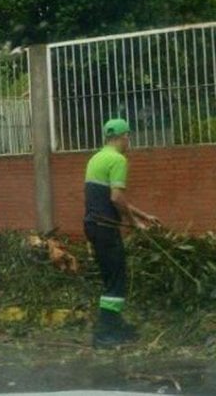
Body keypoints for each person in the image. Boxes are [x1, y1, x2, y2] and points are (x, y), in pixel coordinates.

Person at [84, 119, 160, 348]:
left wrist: (143, 215)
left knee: (110, 277)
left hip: (93, 225)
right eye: (128, 136)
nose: (129, 140)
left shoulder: (96, 158)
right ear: (122, 136)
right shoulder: (118, 160)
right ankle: (105, 334)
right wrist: (134, 223)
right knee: (116, 280)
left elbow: (111, 196)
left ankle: (114, 325)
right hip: (106, 227)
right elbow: (116, 198)